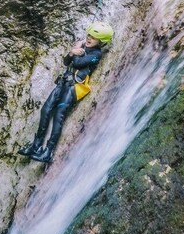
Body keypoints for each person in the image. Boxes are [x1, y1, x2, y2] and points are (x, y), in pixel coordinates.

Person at [18, 22, 114, 164]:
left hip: (75, 87)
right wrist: (71, 52)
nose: (89, 38)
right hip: (64, 82)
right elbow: (66, 62)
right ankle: (36, 146)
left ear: (101, 41)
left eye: (93, 38)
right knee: (46, 109)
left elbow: (77, 63)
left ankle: (48, 152)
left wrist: (76, 50)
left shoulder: (96, 54)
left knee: (59, 115)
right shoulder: (83, 47)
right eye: (88, 35)